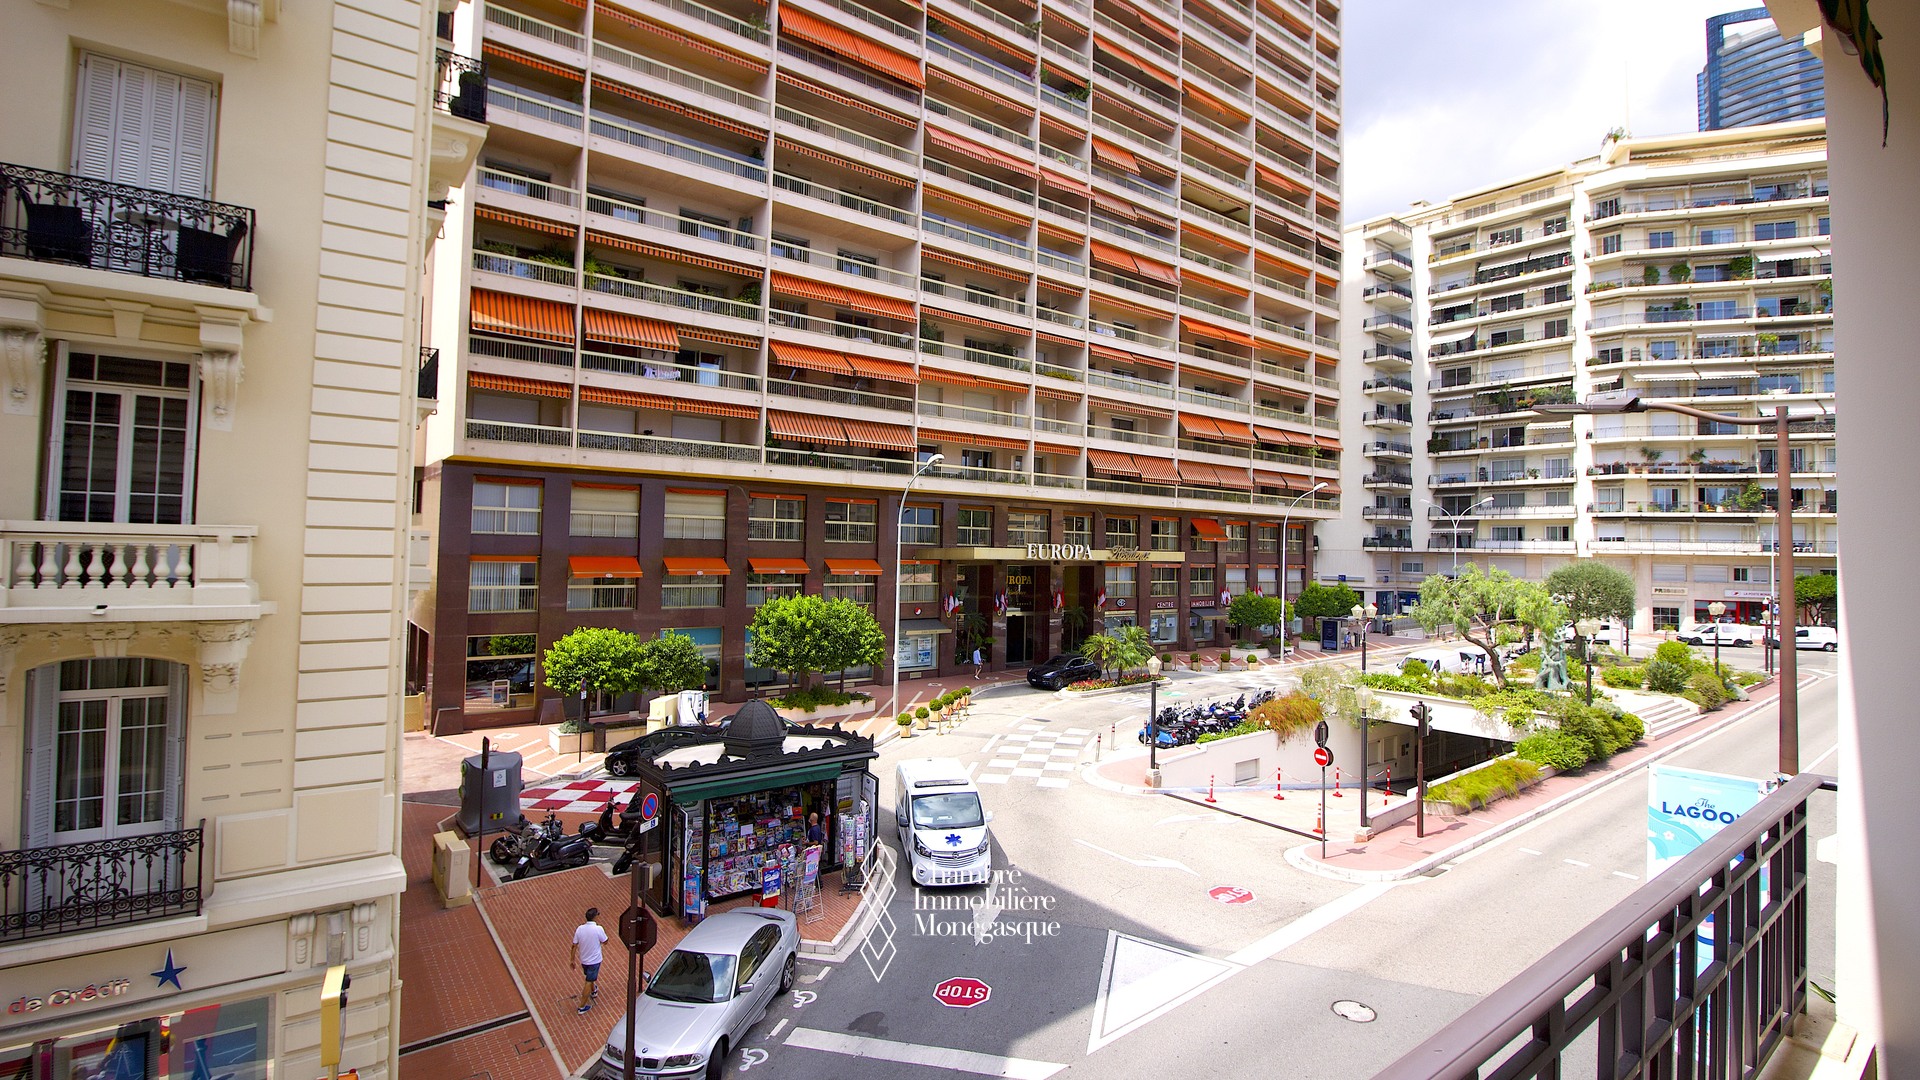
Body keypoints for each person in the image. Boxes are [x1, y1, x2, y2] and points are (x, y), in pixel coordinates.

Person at [571, 908, 608, 1014]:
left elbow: (574, 945)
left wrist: (572, 959)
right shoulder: (598, 929)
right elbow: (605, 941)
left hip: (584, 960)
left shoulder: (580, 929)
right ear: (595, 917)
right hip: (595, 961)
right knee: (588, 981)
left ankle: (593, 990)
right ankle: (581, 1006)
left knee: (590, 977)